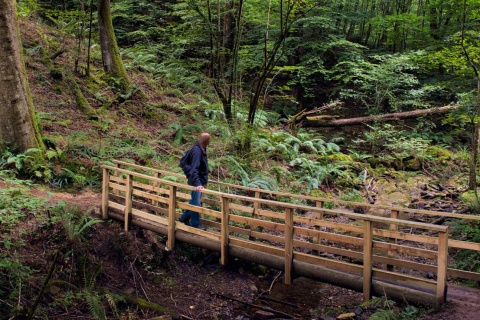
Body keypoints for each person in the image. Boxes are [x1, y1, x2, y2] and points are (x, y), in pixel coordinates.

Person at [179, 132, 210, 228]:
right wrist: (198, 184)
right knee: (196, 202)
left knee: (194, 201)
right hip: (197, 182)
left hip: (199, 180)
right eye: (209, 140)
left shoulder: (202, 149)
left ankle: (183, 218)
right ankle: (195, 224)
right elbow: (194, 169)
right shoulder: (197, 151)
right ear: (207, 141)